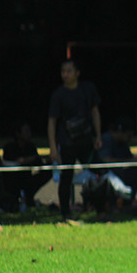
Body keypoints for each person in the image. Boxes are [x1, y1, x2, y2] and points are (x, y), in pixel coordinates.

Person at [48, 58, 102, 219]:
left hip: (87, 141)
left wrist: (98, 135)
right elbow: (52, 122)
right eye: (63, 71)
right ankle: (65, 213)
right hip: (67, 143)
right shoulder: (58, 95)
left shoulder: (88, 89)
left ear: (77, 73)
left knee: (99, 172)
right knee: (66, 177)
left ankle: (100, 209)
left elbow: (95, 112)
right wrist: (52, 147)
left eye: (69, 71)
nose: (66, 74)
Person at [2, 121, 52, 211]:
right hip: (12, 180)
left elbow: (38, 162)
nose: (29, 134)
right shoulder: (10, 147)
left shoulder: (31, 146)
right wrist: (32, 158)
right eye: (26, 131)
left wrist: (46, 160)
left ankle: (29, 197)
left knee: (47, 171)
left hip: (27, 179)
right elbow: (19, 161)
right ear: (18, 134)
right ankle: (15, 201)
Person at [97, 117, 137, 199]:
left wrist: (136, 160)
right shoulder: (106, 139)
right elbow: (106, 160)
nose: (130, 139)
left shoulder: (123, 143)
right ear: (120, 132)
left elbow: (129, 158)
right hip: (105, 173)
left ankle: (127, 200)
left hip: (119, 171)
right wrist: (130, 161)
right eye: (129, 136)